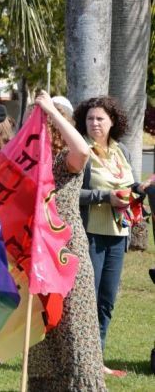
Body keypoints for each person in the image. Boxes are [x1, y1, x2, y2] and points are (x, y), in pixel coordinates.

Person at [26, 92, 106, 391]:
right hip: (36, 253)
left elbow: (82, 151)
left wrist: (51, 111)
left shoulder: (64, 160)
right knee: (44, 331)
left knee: (75, 327)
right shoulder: (31, 162)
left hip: (66, 253)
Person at [74, 96, 154, 377]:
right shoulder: (81, 152)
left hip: (119, 235)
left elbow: (128, 188)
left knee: (107, 301)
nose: (94, 124)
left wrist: (141, 187)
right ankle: (81, 361)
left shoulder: (121, 151)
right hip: (90, 235)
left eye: (100, 119)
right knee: (88, 300)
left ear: (113, 122)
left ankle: (97, 360)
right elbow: (72, 195)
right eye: (90, 119)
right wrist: (104, 197)